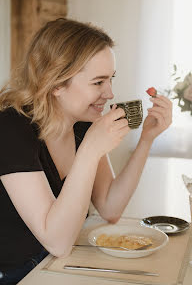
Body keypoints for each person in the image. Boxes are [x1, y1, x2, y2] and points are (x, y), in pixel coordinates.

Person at [0, 18, 172, 284]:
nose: (110, 93)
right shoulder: (11, 128)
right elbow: (58, 242)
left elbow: (111, 207)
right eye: (98, 82)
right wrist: (91, 150)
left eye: (110, 80)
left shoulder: (81, 125)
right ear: (56, 83)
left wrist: (146, 139)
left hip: (57, 264)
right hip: (18, 273)